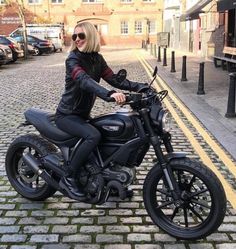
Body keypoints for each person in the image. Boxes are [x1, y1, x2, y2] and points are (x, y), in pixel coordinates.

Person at [55, 21, 148, 199]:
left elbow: (114, 79)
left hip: (83, 115)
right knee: (93, 136)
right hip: (67, 115)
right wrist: (109, 94)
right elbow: (84, 80)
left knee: (108, 135)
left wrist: (142, 87)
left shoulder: (97, 58)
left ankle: (108, 181)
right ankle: (69, 176)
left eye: (81, 36)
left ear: (90, 36)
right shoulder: (73, 59)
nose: (77, 39)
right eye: (74, 36)